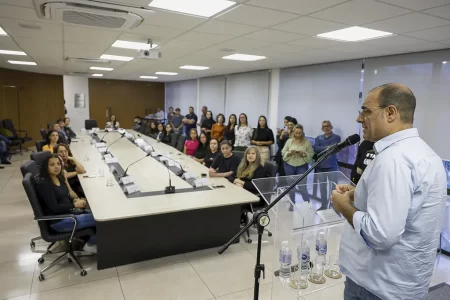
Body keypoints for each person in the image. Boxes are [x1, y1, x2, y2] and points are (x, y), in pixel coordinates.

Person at [330, 84, 447, 300]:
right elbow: (407, 203)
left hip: (374, 286)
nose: (359, 119)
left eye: (366, 111)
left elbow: (381, 235)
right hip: (403, 284)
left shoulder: (393, 160)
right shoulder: (424, 153)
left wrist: (342, 204)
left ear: (390, 113)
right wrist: (359, 193)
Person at [35, 154, 97, 253]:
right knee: (99, 219)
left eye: (58, 164)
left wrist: (74, 201)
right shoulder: (44, 184)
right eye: (52, 164)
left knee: (96, 213)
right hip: (59, 222)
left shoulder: (58, 178)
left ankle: (93, 239)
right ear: (45, 167)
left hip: (68, 214)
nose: (56, 166)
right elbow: (54, 208)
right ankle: (90, 244)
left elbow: (63, 197)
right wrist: (74, 205)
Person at [282, 124, 314, 210]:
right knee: (291, 186)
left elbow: (311, 154)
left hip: (301, 166)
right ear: (293, 132)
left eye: (299, 133)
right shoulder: (289, 141)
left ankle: (307, 204)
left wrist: (303, 153)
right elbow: (283, 152)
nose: (298, 134)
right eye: (296, 132)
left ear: (302, 133)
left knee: (302, 186)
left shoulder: (307, 142)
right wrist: (289, 153)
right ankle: (292, 203)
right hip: (289, 165)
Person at [314, 120, 341, 210]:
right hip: (321, 166)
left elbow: (334, 148)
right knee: (322, 187)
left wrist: (324, 148)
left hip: (332, 165)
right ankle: (324, 205)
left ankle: (334, 206)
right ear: (322, 128)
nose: (326, 128)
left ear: (331, 127)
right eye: (324, 126)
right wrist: (327, 147)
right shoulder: (318, 138)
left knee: (334, 188)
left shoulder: (336, 137)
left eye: (328, 126)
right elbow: (316, 149)